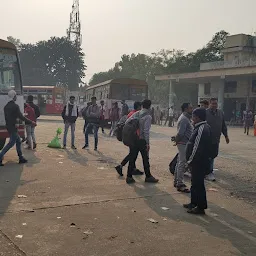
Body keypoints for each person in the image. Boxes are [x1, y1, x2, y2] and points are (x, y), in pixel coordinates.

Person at [184, 108, 212, 215]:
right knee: (194, 183)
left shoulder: (202, 128)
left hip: (198, 162)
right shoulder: (200, 127)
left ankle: (200, 207)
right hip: (197, 161)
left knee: (198, 184)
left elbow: (196, 147)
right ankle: (193, 202)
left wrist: (189, 161)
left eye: (193, 117)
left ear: (198, 117)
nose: (192, 119)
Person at [126, 99, 159, 184]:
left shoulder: (137, 113)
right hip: (141, 140)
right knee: (145, 158)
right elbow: (146, 131)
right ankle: (148, 176)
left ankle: (129, 177)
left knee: (133, 158)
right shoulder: (147, 116)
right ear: (150, 106)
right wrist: (147, 143)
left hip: (134, 139)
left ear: (142, 105)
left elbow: (127, 122)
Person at [0, 90, 36, 166]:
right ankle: (0, 156)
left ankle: (21, 158)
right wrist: (31, 122)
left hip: (9, 127)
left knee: (18, 142)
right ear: (13, 96)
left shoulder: (6, 106)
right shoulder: (15, 106)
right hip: (13, 128)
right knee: (11, 143)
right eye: (15, 96)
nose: (16, 97)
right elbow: (21, 117)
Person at [115, 101, 143, 176]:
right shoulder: (136, 114)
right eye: (141, 107)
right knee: (132, 154)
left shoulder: (131, 113)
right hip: (133, 137)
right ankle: (120, 166)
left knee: (133, 153)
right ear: (138, 107)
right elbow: (135, 128)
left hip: (128, 137)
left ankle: (133, 169)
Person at [205, 98, 229, 181]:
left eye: (215, 103)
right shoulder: (205, 113)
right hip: (206, 139)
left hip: (216, 138)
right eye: (212, 104)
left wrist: (226, 136)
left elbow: (223, 125)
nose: (214, 105)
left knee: (214, 154)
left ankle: (208, 171)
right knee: (208, 156)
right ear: (209, 104)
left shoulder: (220, 113)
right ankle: (208, 172)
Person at [174, 103, 193, 192]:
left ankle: (176, 181)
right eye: (190, 108)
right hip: (183, 143)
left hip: (183, 142)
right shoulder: (184, 119)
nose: (192, 109)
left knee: (179, 162)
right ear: (186, 109)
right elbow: (181, 133)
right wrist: (177, 141)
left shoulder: (185, 118)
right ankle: (180, 183)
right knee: (182, 163)